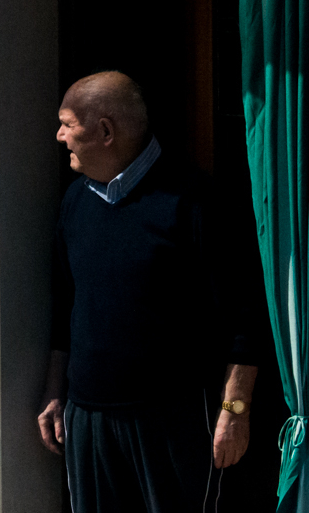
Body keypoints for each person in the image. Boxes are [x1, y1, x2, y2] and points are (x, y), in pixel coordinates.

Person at [37, 71, 260, 513]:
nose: (60, 136)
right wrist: (54, 390)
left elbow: (245, 315)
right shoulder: (75, 202)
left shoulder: (195, 201)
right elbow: (66, 305)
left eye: (68, 124)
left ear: (105, 131)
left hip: (173, 421)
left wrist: (235, 410)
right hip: (88, 418)